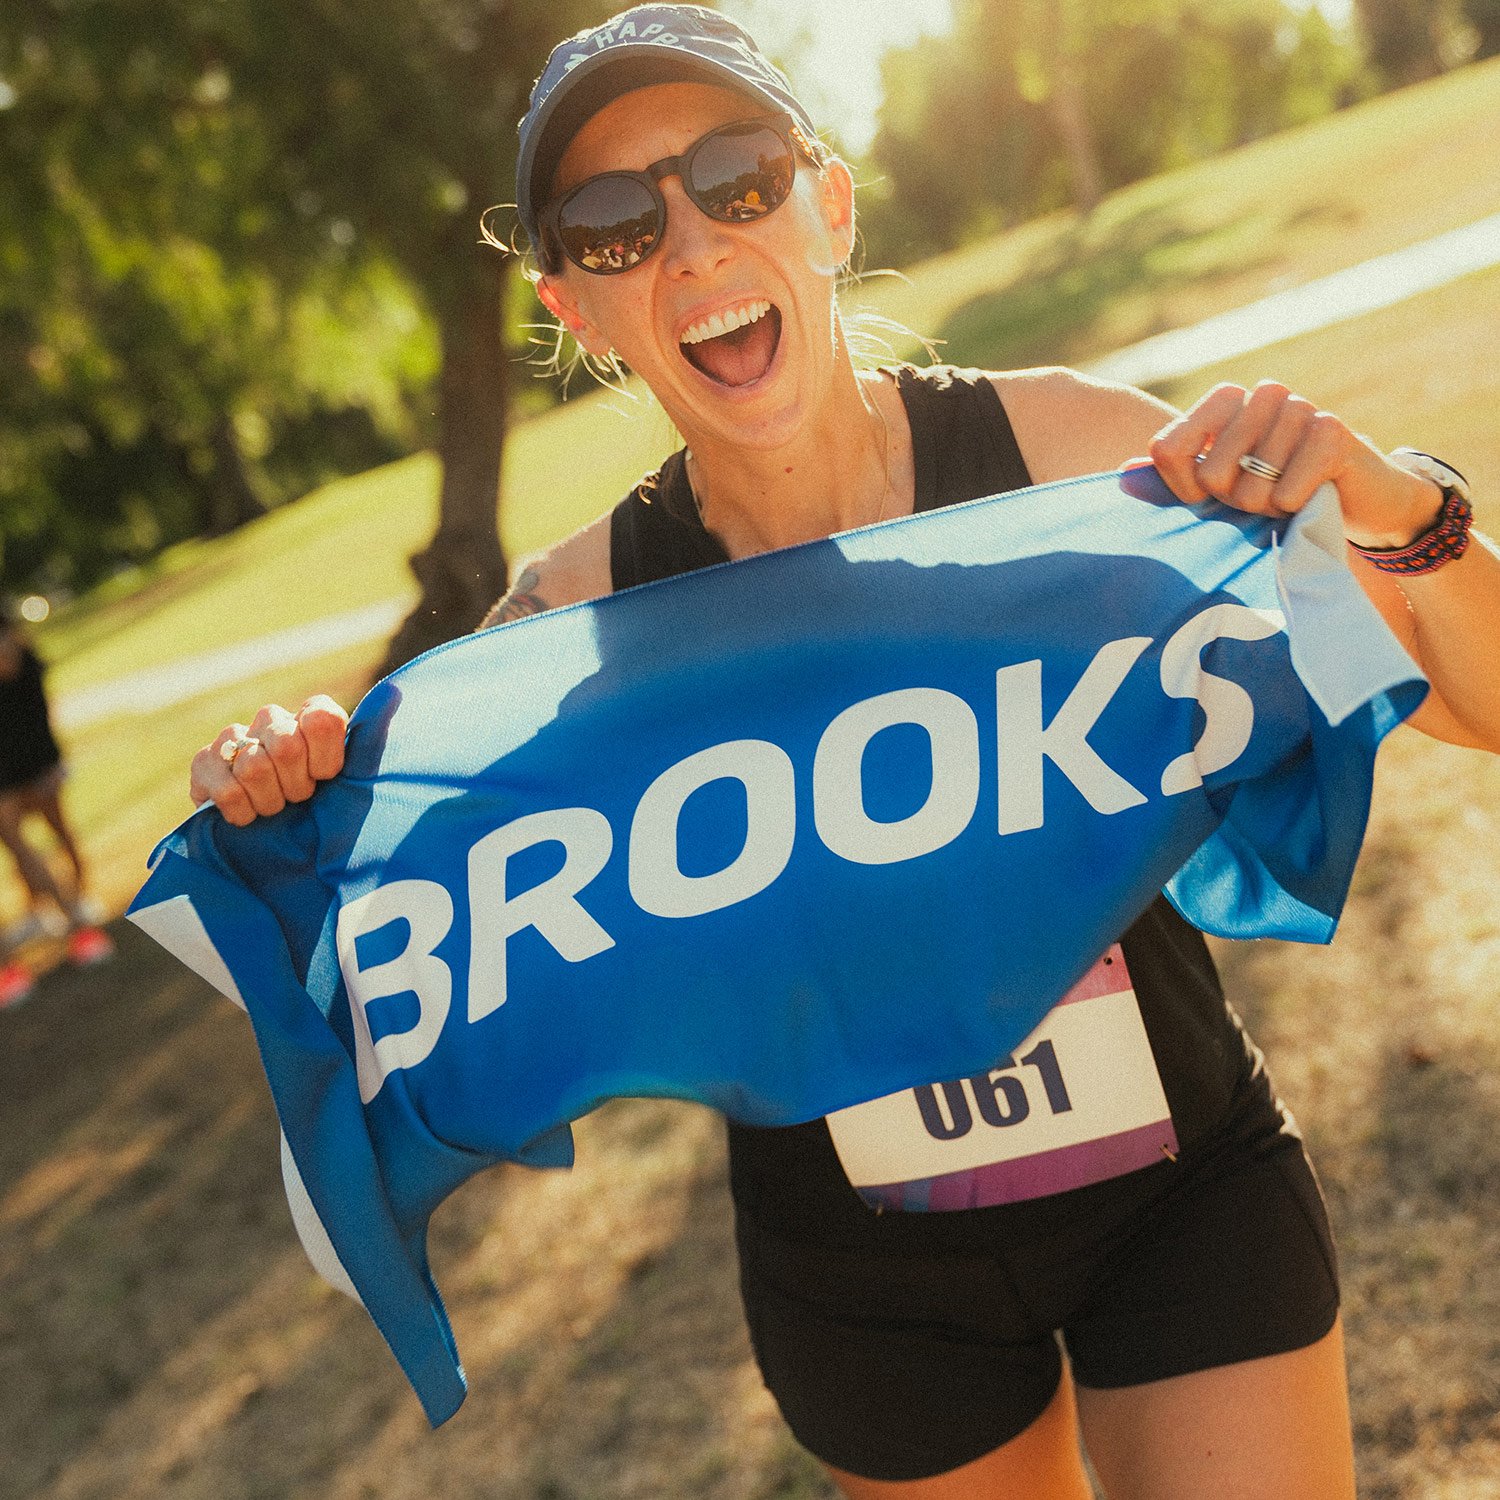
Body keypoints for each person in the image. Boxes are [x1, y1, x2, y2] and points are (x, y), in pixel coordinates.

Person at [188, 7, 1500, 1495]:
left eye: (735, 177)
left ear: (830, 202)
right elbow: (393, 926)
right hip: (869, 1300)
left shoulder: (1074, 460)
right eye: (616, 226)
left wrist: (1401, 512)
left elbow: (1476, 700)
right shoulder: (566, 621)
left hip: (1180, 1199)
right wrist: (283, 794)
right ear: (574, 304)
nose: (687, 246)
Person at [0, 602, 114, 1006]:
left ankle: (76, 919)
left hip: (27, 763)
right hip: (26, 763)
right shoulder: (25, 651)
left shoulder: (19, 656)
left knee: (34, 842)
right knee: (26, 845)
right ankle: (68, 915)